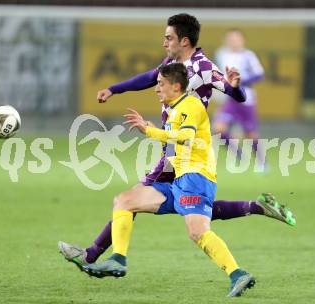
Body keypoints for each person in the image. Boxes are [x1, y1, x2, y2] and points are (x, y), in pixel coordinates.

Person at [58, 13, 295, 272]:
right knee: (191, 207)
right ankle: (257, 207)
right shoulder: (172, 62)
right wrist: (115, 89)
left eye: (168, 38)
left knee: (131, 199)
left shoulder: (204, 67)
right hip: (174, 147)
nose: (164, 43)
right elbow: (149, 77)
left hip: (185, 148)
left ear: (184, 41)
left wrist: (236, 87)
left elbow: (233, 93)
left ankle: (94, 257)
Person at [86, 63, 256, 297]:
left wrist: (150, 131)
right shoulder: (175, 108)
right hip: (179, 179)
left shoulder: (190, 105)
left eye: (161, 84)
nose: (156, 89)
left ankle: (238, 274)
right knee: (125, 200)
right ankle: (118, 259)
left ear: (176, 86)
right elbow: (177, 140)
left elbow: (185, 138)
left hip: (197, 177)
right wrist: (153, 129)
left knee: (197, 232)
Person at [213, 29, 265, 167]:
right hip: (230, 98)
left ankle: (262, 162)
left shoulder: (248, 55)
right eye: (231, 38)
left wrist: (241, 81)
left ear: (242, 40)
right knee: (218, 129)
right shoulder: (222, 54)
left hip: (245, 99)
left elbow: (260, 75)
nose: (234, 41)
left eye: (236, 38)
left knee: (250, 133)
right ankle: (239, 154)